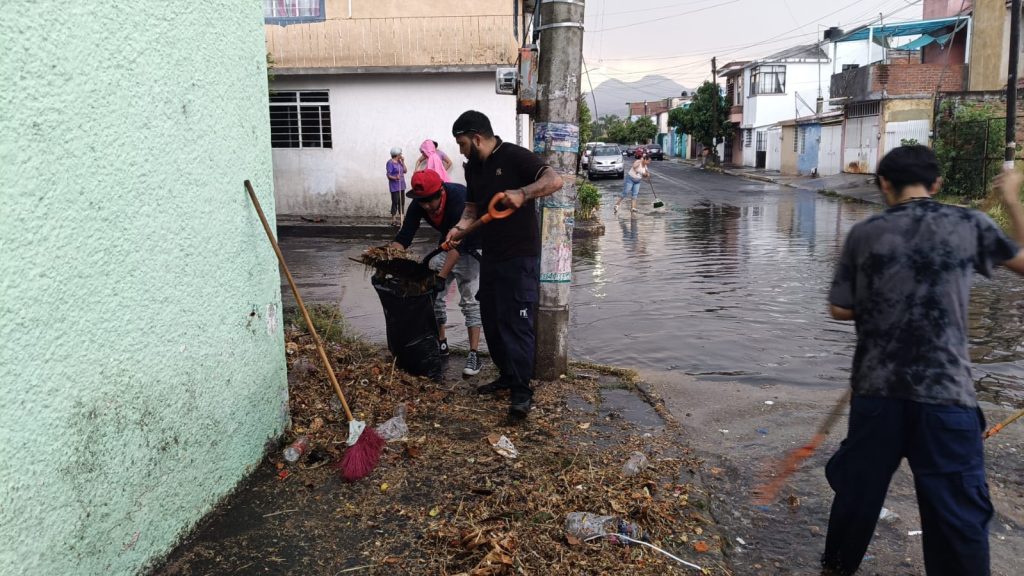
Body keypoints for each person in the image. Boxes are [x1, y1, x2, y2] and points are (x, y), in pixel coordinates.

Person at [822, 145, 1024, 576]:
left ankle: (836, 570)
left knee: (856, 501)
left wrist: (887, 302)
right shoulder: (969, 223)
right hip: (947, 397)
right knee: (957, 519)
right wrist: (1011, 200)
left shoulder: (865, 233)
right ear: (936, 184)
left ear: (884, 185)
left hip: (876, 394)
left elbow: (839, 308)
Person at [444, 110, 563, 419]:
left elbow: (554, 180)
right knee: (493, 320)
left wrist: (523, 193)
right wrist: (458, 229)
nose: (460, 151)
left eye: (462, 144)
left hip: (520, 255)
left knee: (516, 323)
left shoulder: (514, 156)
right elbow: (471, 209)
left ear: (476, 138)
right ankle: (507, 376)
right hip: (492, 255)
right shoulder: (473, 168)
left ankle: (522, 391)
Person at [391, 170, 484, 378]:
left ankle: (474, 354)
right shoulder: (419, 204)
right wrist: (389, 257)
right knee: (433, 296)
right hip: (447, 244)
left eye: (429, 201)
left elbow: (459, 246)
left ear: (441, 192)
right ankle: (441, 343)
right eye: (421, 201)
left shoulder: (458, 199)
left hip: (473, 245)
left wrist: (441, 277)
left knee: (470, 301)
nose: (425, 206)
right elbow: (405, 236)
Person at [386, 147, 407, 226]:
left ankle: (402, 219)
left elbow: (405, 171)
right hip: (395, 186)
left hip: (401, 185)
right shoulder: (390, 163)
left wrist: (403, 162)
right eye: (400, 154)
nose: (401, 155)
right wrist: (395, 178)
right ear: (397, 154)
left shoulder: (399, 162)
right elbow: (388, 175)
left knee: (402, 202)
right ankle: (393, 219)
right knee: (395, 202)